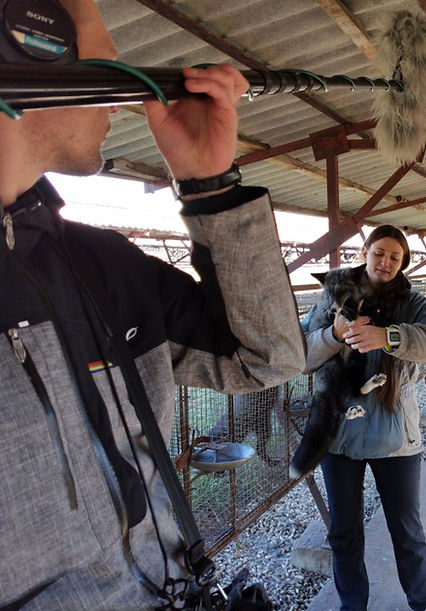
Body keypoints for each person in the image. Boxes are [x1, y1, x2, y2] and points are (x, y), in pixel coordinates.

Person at [0, 1, 306, 608]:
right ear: (31, 45)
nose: (120, 99)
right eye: (106, 72)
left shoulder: (103, 267)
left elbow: (267, 359)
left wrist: (210, 187)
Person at [302, 224, 426, 611]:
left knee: (407, 531)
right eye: (379, 252)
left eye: (395, 257)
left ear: (403, 264)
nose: (385, 262)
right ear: (365, 252)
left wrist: (390, 337)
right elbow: (300, 356)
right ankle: (353, 605)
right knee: (344, 533)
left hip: (395, 438)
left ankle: (422, 601)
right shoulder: (332, 296)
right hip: (338, 436)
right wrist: (333, 337)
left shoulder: (412, 303)